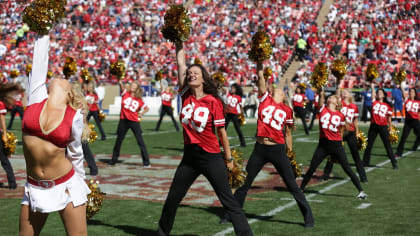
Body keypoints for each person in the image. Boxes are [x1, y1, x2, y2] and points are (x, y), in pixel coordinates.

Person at [157, 41, 252, 236]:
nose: (191, 74)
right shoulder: (185, 95)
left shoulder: (213, 102)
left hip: (211, 157)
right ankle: (161, 233)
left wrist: (229, 159)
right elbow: (180, 63)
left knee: (229, 202)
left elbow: (222, 133)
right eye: (190, 73)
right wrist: (179, 41)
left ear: (203, 79)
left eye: (196, 73)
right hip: (189, 158)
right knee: (173, 198)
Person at [220, 61, 314, 228]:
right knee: (244, 183)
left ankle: (308, 217)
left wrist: (290, 153)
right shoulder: (265, 100)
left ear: (284, 96)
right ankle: (230, 214)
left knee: (292, 184)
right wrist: (259, 64)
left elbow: (288, 134)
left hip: (277, 149)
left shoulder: (287, 110)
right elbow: (262, 82)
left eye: (280, 91)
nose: (277, 90)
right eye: (275, 89)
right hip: (260, 148)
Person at [19, 35, 90, 235]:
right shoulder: (36, 97)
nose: (60, 77)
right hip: (34, 188)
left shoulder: (73, 116)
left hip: (67, 186)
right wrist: (44, 28)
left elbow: (76, 154)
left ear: (69, 94)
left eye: (66, 81)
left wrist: (84, 188)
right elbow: (39, 60)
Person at [300, 87, 367, 199]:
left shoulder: (340, 115)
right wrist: (321, 92)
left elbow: (341, 131)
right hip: (323, 145)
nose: (330, 97)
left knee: (347, 168)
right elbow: (321, 100)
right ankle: (301, 188)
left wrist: (340, 143)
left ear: (337, 103)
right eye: (329, 97)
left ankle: (361, 191)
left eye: (333, 97)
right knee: (312, 167)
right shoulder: (323, 109)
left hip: (336, 145)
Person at [321, 88, 368, 183]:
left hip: (350, 132)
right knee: (333, 153)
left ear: (350, 95)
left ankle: (363, 177)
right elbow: (336, 98)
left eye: (346, 92)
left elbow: (355, 120)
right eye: (343, 93)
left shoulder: (354, 106)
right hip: (339, 132)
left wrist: (357, 132)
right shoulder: (339, 104)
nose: (344, 93)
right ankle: (326, 174)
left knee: (356, 155)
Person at [109, 80, 150, 166]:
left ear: (137, 88)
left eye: (134, 86)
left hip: (134, 121)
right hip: (123, 120)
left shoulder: (139, 100)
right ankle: (114, 160)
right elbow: (121, 85)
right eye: (132, 85)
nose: (132, 87)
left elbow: (146, 108)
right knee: (119, 140)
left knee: (140, 141)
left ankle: (146, 162)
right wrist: (120, 81)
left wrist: (140, 114)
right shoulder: (125, 93)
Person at [362, 83, 398, 169]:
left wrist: (390, 128)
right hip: (373, 126)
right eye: (378, 93)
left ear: (384, 95)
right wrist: (372, 87)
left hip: (383, 127)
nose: (379, 94)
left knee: (387, 145)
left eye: (381, 93)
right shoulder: (374, 102)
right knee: (369, 145)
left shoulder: (387, 106)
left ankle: (394, 162)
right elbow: (373, 94)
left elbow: (389, 118)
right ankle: (365, 162)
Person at [0, 83, 20, 189]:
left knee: (4, 160)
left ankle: (12, 183)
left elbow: (2, 120)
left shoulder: (1, 104)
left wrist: (4, 134)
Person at [395, 86, 420, 157]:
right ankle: (399, 153)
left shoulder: (418, 102)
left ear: (415, 94)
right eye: (410, 92)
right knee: (404, 137)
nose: (411, 93)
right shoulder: (407, 100)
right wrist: (401, 84)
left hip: (415, 121)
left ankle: (415, 146)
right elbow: (403, 92)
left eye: (412, 92)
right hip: (408, 121)